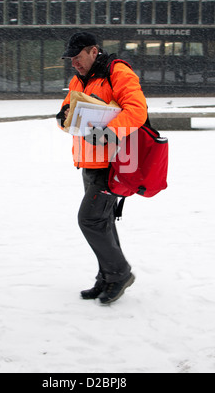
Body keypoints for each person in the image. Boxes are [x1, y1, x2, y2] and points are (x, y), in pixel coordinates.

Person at [57, 32, 148, 304]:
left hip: (114, 162)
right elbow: (67, 114)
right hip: (89, 162)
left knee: (90, 220)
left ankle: (120, 273)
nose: (74, 63)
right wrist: (62, 119)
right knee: (103, 222)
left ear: (93, 51)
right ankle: (106, 276)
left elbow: (137, 110)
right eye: (70, 59)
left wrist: (109, 132)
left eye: (78, 57)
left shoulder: (117, 72)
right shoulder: (78, 80)